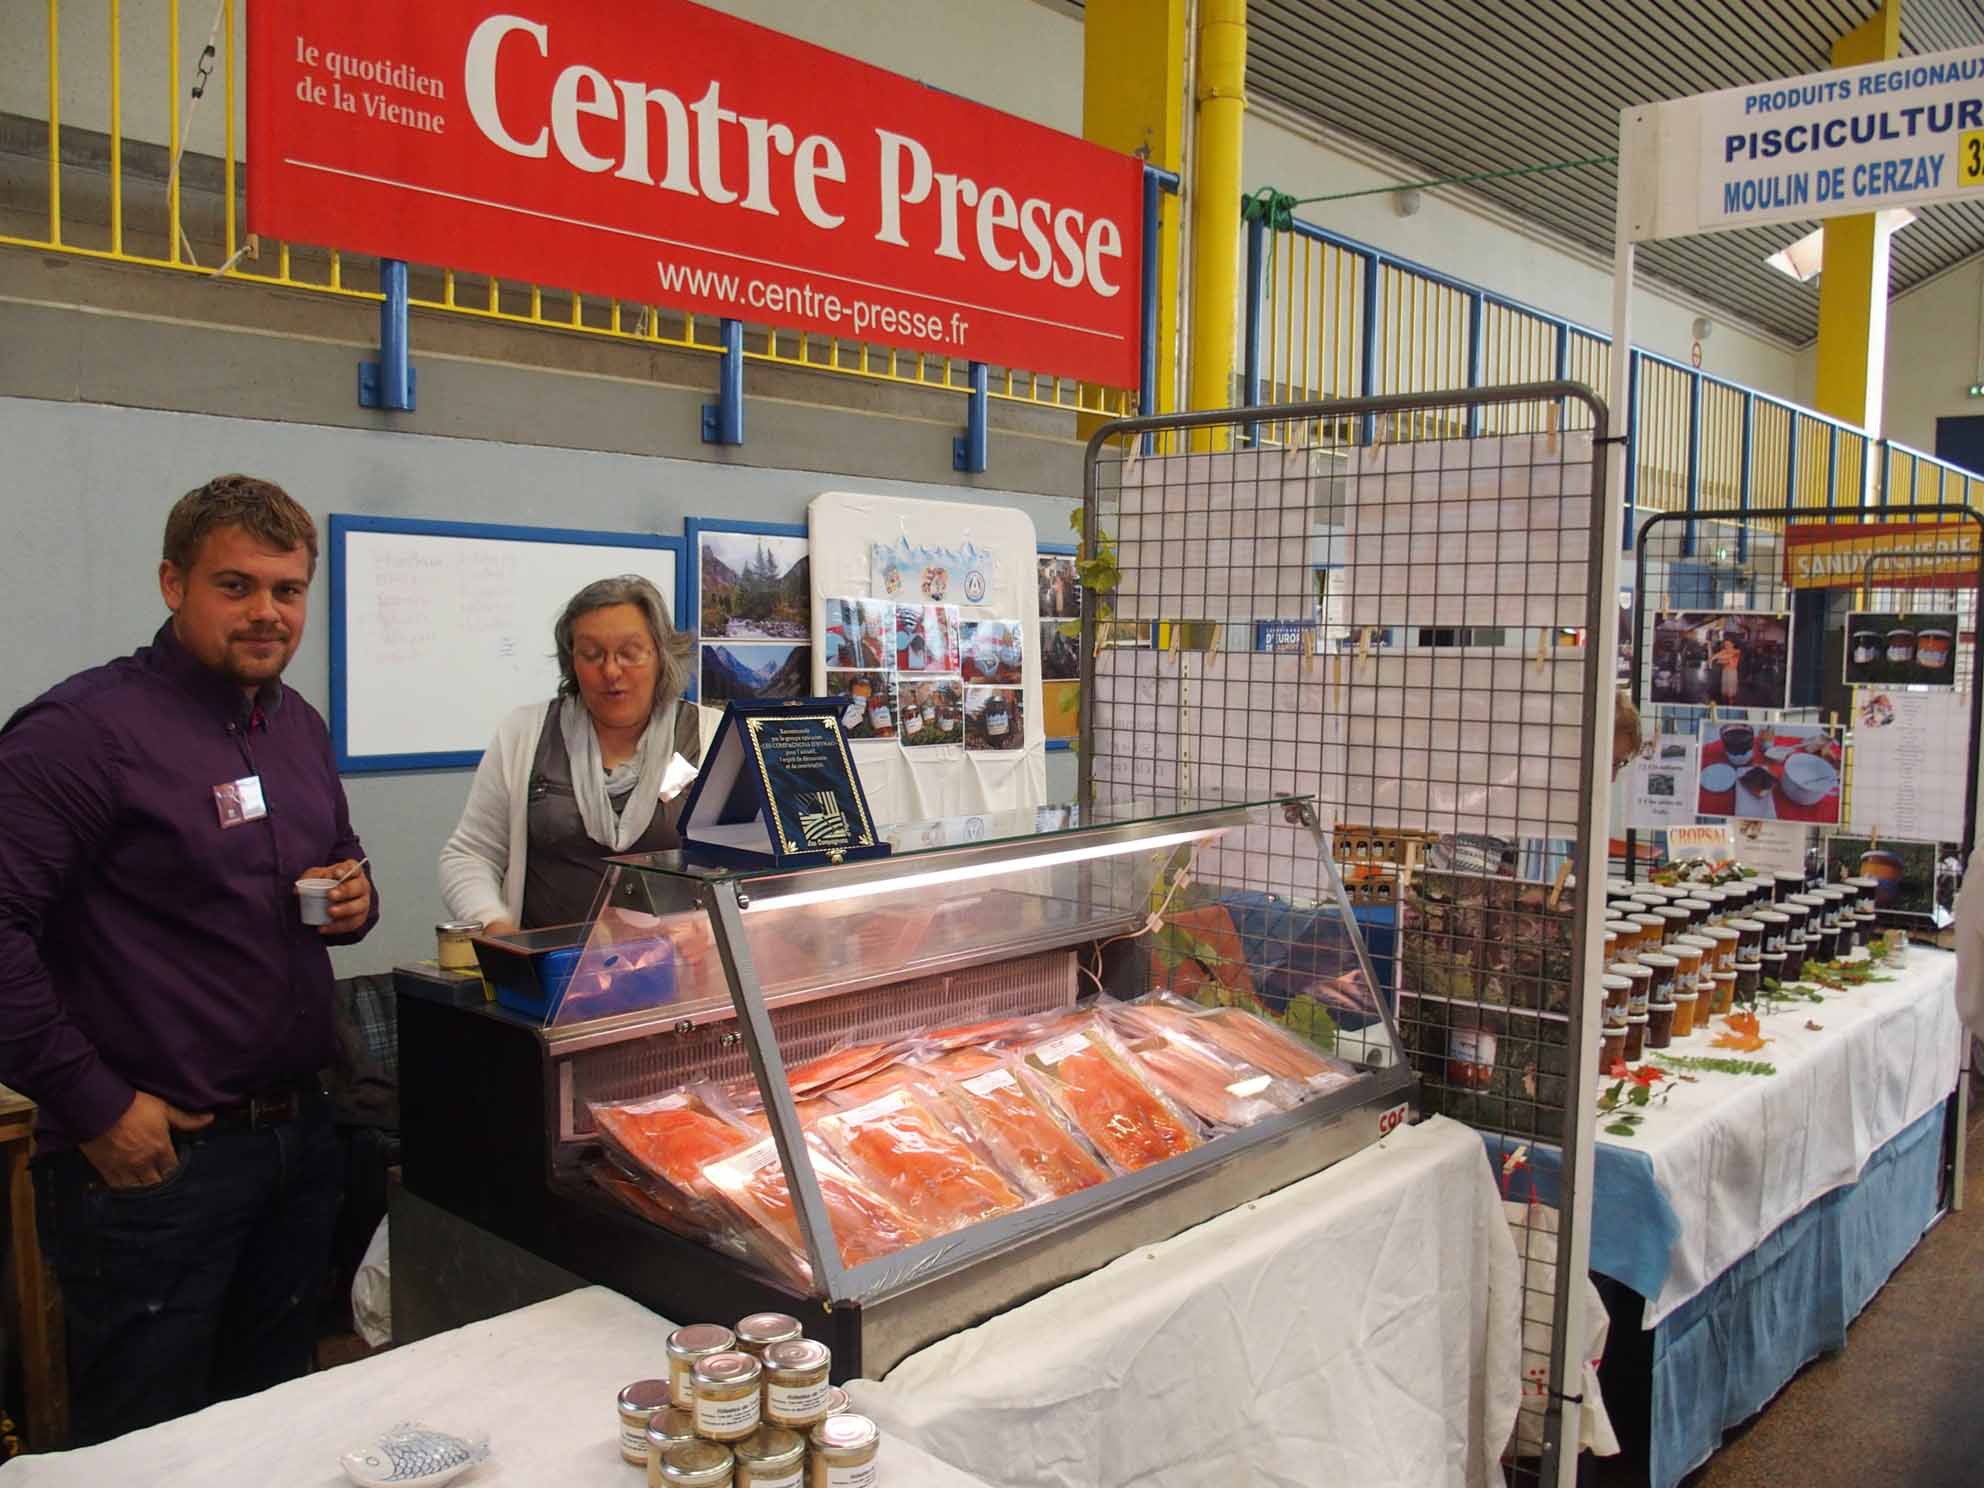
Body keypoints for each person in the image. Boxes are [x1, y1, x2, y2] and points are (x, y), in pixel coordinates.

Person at [0, 475, 378, 1444]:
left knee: (274, 1428)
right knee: (149, 1446)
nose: (267, 613)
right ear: (173, 583)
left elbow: (338, 863)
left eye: (287, 590)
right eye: (236, 585)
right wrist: (96, 1106)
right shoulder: (83, 735)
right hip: (154, 1167)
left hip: (297, 1146)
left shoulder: (296, 727)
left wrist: (355, 898)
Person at [441, 576, 702, 933]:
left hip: (683, 976)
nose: (610, 671)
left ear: (662, 655)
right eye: (592, 655)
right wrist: (494, 923)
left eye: (629, 653)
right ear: (571, 662)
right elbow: (469, 856)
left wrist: (703, 930)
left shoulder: (711, 735)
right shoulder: (524, 733)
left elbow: (756, 868)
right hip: (552, 974)